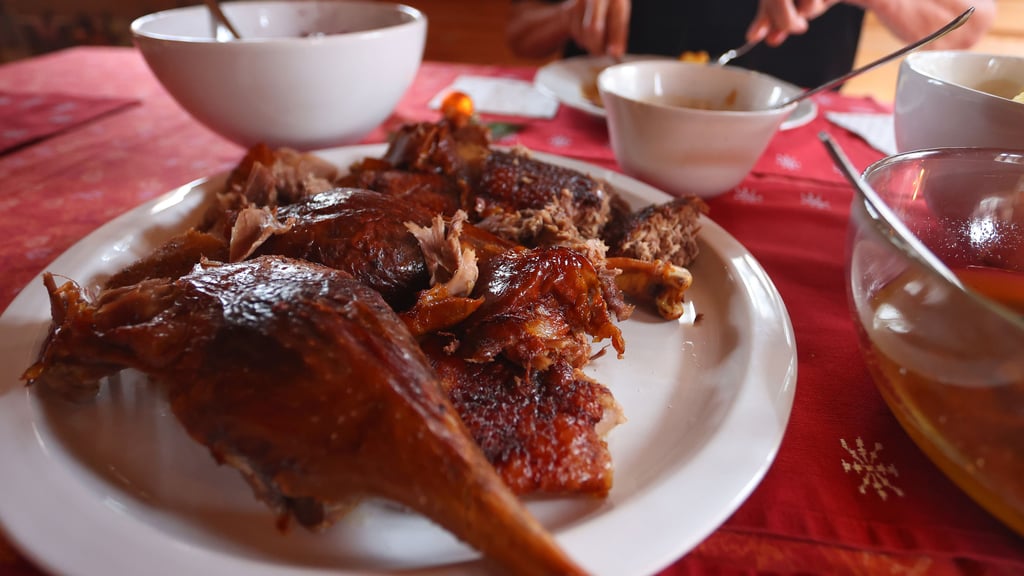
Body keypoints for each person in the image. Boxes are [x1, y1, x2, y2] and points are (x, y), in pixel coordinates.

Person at [506, 0, 995, 88]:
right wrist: (570, 12)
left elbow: (970, 21)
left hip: (781, 140)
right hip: (599, 130)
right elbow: (521, 33)